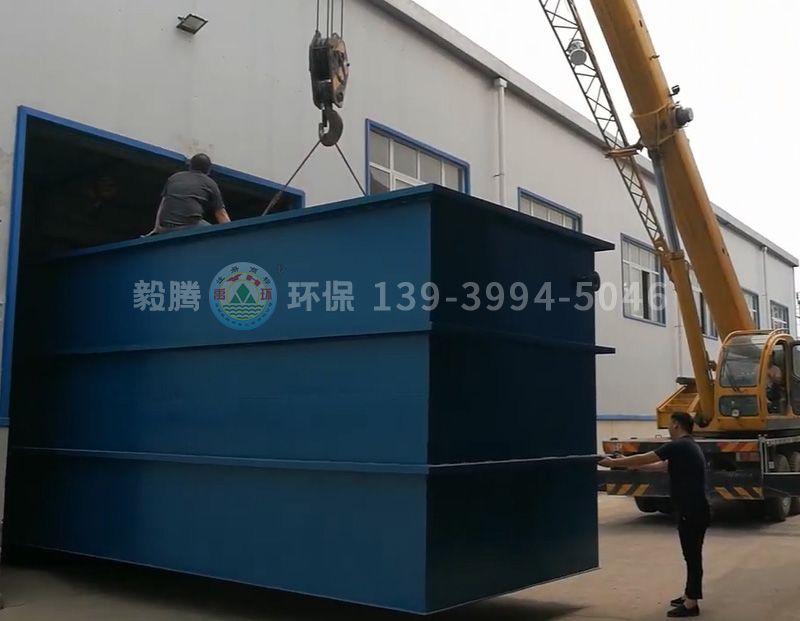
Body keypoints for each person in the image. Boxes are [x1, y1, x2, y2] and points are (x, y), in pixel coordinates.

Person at [599, 412, 709, 617]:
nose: (668, 428)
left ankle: (691, 604)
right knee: (691, 555)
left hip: (691, 509)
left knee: (692, 556)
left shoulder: (678, 446)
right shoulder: (688, 446)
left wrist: (613, 463)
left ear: (676, 425)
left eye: (670, 424)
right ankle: (689, 594)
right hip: (695, 509)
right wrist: (630, 464)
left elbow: (647, 457)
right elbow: (662, 466)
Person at [152, 153, 231, 234]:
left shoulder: (174, 178)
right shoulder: (210, 183)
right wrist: (230, 234)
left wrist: (157, 228)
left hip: (166, 227)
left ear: (190, 166)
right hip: (190, 226)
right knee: (213, 232)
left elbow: (163, 204)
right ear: (208, 170)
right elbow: (221, 214)